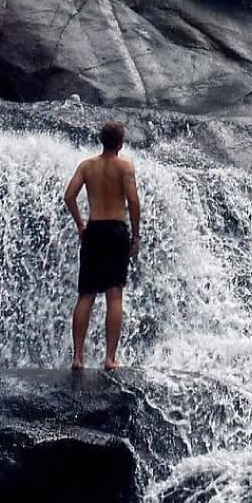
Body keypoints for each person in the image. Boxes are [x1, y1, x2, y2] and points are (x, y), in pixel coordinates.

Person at [64, 121, 142, 371]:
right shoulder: (125, 166)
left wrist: (80, 225)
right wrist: (136, 236)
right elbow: (133, 200)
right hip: (116, 230)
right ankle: (110, 358)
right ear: (120, 143)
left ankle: (77, 357)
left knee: (86, 294)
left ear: (101, 140)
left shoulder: (87, 166)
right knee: (114, 295)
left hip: (94, 229)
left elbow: (69, 196)